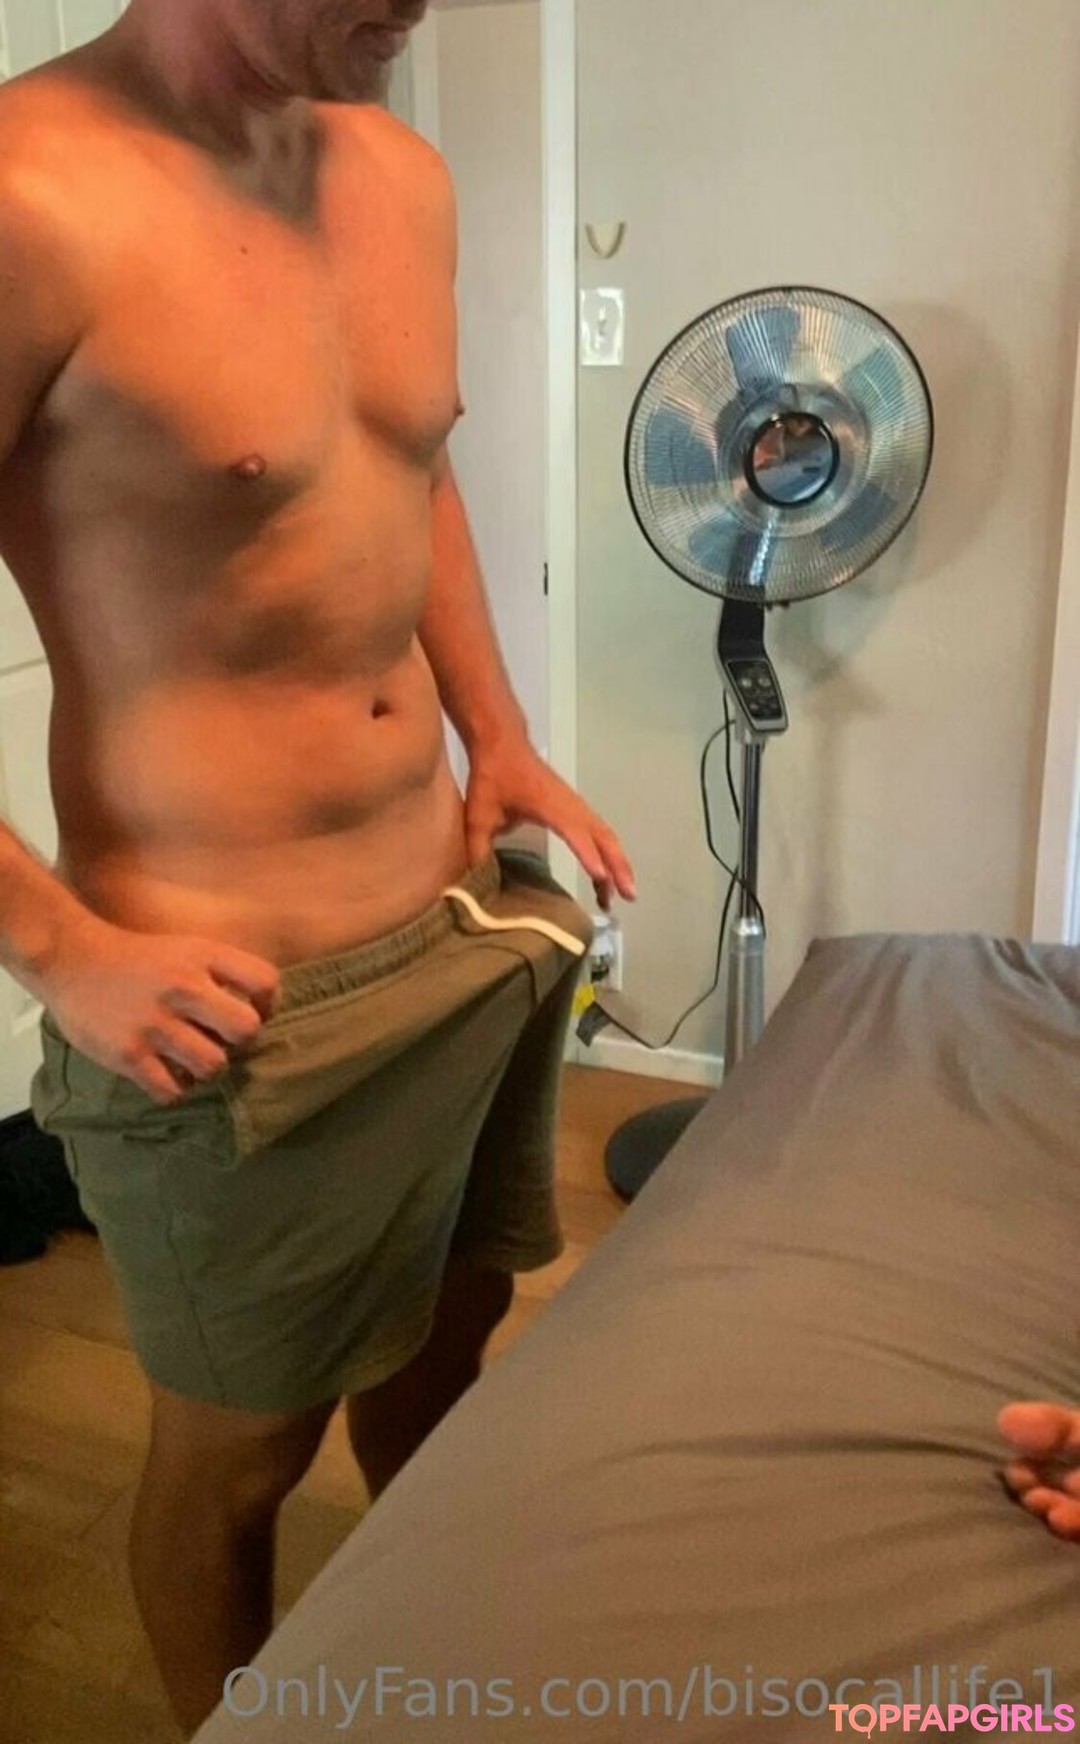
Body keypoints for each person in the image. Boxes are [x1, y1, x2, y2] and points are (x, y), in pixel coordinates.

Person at [0, 0, 636, 1731]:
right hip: (233, 999)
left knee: (449, 1340)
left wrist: (499, 732)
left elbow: (409, 471)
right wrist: (61, 950)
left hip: (457, 909)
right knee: (238, 1462)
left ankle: (427, 1664)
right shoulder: (32, 200)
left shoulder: (397, 174)